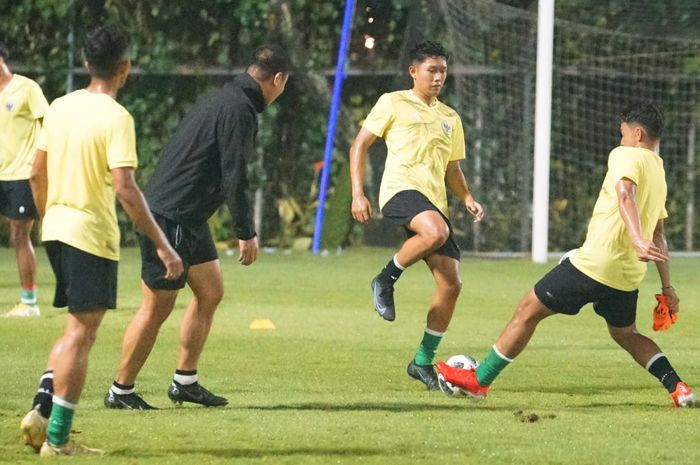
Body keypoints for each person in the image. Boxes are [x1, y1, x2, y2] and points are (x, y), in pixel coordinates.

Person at [437, 101, 697, 408]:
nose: (621, 140)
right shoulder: (660, 171)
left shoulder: (626, 154)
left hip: (595, 264)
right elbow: (660, 234)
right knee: (626, 333)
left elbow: (625, 194)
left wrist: (637, 240)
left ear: (638, 133)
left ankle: (478, 382)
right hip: (627, 276)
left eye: (623, 133)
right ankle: (679, 388)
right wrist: (667, 288)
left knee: (527, 310)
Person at [19, 24, 183, 456]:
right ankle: (57, 440)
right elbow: (126, 189)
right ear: (125, 67)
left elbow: (37, 171)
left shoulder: (59, 106)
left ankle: (40, 409)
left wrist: (47, 215)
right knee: (81, 335)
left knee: (77, 329)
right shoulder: (116, 117)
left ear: (87, 63)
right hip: (90, 234)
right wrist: (164, 246)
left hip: (55, 229)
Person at [103, 44, 290, 410]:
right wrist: (245, 231)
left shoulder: (225, 97)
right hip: (171, 215)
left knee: (210, 291)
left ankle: (184, 381)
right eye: (284, 85)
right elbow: (235, 173)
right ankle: (120, 390)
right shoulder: (239, 109)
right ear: (278, 79)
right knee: (156, 308)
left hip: (187, 216)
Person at [349, 41, 484, 391]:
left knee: (452, 284)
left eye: (443, 70)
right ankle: (385, 279)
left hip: (433, 203)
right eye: (431, 70)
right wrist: (358, 193)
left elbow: (452, 167)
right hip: (400, 191)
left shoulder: (450, 118)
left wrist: (467, 196)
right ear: (413, 71)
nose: (439, 77)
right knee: (436, 231)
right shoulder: (393, 102)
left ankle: (422, 362)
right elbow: (359, 145)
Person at [0, 41, 49, 317]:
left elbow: (48, 124)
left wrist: (40, 165)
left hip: (20, 174)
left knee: (20, 235)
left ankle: (29, 303)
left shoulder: (26, 88)